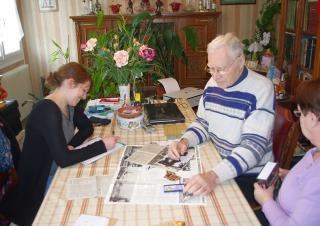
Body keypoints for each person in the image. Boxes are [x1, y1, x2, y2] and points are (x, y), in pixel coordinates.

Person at [0, 62, 118, 226]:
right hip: (39, 187)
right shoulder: (46, 110)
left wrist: (71, 145)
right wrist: (102, 145)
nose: (84, 96)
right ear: (70, 83)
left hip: (56, 170)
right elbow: (63, 159)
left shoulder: (69, 105)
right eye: (83, 91)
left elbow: (87, 127)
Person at [168, 33, 275, 196]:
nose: (215, 75)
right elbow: (203, 123)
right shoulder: (213, 84)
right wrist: (185, 141)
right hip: (219, 161)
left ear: (240, 61)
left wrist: (213, 176)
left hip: (249, 175)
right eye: (210, 68)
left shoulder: (261, 89)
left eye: (221, 69)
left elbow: (252, 148)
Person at [254, 79, 320, 226]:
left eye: (299, 113)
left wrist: (265, 200)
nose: (299, 118)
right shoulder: (315, 151)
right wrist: (292, 177)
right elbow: (309, 184)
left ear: (312, 119)